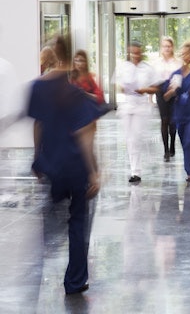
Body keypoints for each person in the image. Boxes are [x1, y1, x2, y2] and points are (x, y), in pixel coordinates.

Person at [27, 35, 102, 295]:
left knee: (51, 218)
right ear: (70, 58)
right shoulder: (74, 93)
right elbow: (85, 134)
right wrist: (93, 172)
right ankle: (75, 280)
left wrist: (37, 157)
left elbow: (38, 124)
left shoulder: (37, 87)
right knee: (78, 222)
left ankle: (33, 270)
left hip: (53, 164)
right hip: (76, 166)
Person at [115, 41, 160, 183]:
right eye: (132, 52)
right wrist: (124, 88)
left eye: (137, 52)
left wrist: (144, 90)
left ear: (141, 52)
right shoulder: (123, 67)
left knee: (136, 137)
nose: (135, 55)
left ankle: (136, 171)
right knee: (130, 139)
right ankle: (134, 169)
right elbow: (118, 85)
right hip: (127, 105)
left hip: (141, 106)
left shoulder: (147, 68)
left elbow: (155, 88)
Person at [163, 38, 190, 183]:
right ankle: (189, 168)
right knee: (183, 141)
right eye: (183, 53)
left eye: (188, 54)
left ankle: (189, 171)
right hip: (179, 113)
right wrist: (171, 91)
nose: (184, 56)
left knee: (189, 141)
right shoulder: (175, 74)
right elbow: (166, 96)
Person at [153, 36, 182, 162]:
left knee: (172, 121)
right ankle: (165, 150)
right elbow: (153, 81)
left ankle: (172, 145)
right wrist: (150, 97)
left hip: (174, 92)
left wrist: (174, 91)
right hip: (160, 93)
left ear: (172, 47)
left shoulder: (177, 62)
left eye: (169, 46)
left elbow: (180, 78)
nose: (167, 48)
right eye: (164, 46)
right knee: (164, 120)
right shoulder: (156, 63)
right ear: (161, 48)